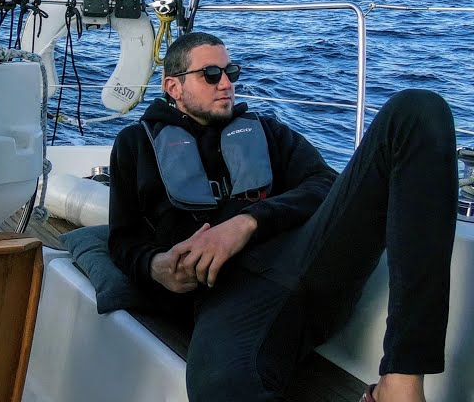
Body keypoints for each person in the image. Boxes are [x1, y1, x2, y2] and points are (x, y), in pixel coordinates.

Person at [108, 31, 456, 402]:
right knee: (221, 391)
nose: (226, 83)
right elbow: (123, 240)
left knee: (417, 108)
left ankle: (400, 383)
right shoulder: (135, 145)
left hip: (309, 258)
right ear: (173, 86)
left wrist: (247, 222)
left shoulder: (267, 131)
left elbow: (324, 182)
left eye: (231, 72)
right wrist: (156, 266)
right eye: (211, 74)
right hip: (228, 300)